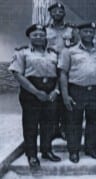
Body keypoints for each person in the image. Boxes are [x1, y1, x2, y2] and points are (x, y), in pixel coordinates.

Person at [8, 24, 61, 168]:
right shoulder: (22, 52)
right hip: (30, 92)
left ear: (46, 36)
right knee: (31, 125)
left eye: (41, 34)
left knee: (48, 124)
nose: (39, 37)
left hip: (50, 91)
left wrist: (55, 91)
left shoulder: (53, 53)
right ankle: (31, 155)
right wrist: (36, 92)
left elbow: (59, 75)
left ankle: (46, 150)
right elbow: (17, 74)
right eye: (35, 35)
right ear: (29, 37)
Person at [58, 22, 96, 163]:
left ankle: (91, 149)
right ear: (79, 33)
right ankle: (74, 151)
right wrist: (65, 95)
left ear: (95, 34)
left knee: (94, 122)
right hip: (76, 90)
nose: (88, 34)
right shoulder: (69, 51)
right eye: (85, 31)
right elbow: (63, 74)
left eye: (91, 32)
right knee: (74, 122)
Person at [46, 2, 77, 140]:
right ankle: (53, 129)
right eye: (54, 11)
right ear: (50, 14)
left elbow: (76, 47)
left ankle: (65, 128)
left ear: (64, 13)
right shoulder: (45, 30)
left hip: (67, 67)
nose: (57, 13)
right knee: (52, 99)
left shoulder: (71, 30)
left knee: (67, 97)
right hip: (50, 67)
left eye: (60, 11)